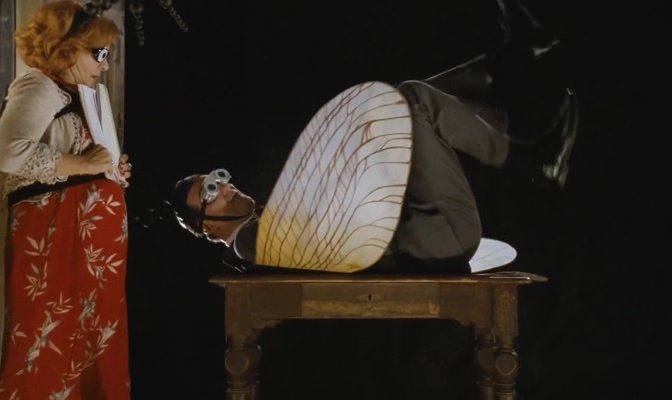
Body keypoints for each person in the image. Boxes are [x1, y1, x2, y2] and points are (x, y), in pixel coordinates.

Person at [0, 1, 132, 398]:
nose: (105, 65)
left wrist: (110, 170)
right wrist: (84, 164)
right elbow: (7, 151)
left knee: (90, 341)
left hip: (90, 249)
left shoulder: (83, 95)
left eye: (108, 55)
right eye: (99, 53)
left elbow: (86, 162)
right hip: (53, 235)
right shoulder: (39, 86)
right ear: (68, 47)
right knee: (46, 335)